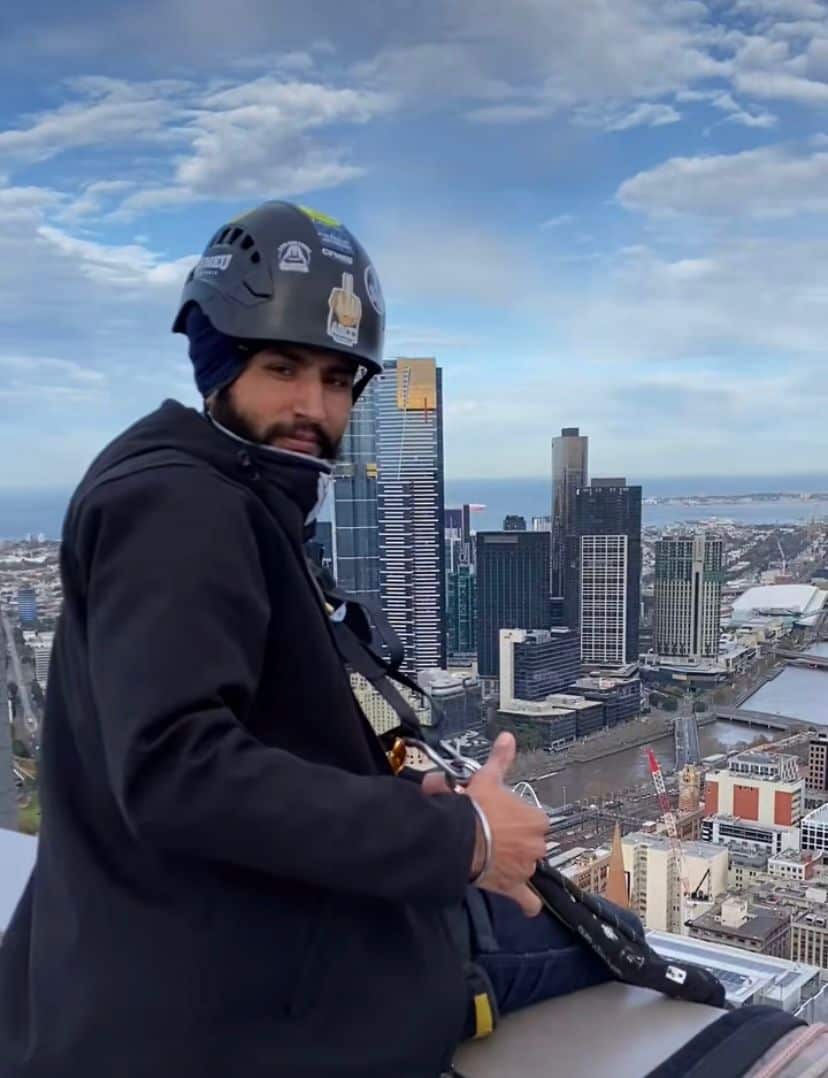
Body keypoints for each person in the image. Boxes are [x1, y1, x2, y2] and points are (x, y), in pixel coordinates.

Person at [0, 200, 565, 1078]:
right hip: (224, 1007)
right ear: (220, 365)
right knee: (622, 955)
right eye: (282, 367)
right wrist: (465, 841)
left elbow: (238, 725)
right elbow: (177, 769)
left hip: (182, 958)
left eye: (338, 380)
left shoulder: (213, 486)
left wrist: (390, 789)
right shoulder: (183, 508)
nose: (312, 406)